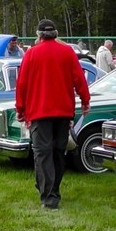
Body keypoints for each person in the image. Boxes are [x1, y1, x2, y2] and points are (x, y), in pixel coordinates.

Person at [16, 19, 91, 210]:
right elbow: (79, 78)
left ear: (39, 35)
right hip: (63, 111)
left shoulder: (31, 53)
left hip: (39, 111)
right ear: (55, 34)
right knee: (58, 152)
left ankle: (49, 195)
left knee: (43, 153)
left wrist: (20, 109)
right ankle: (51, 188)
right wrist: (85, 101)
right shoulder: (67, 52)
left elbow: (22, 84)